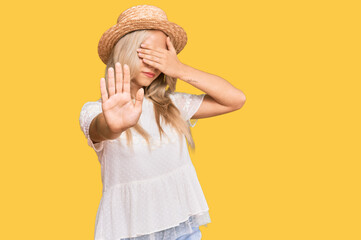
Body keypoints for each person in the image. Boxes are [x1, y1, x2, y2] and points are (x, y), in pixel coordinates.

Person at [79, 4, 246, 240]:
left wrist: (179, 69)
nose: (154, 64)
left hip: (182, 228)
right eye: (145, 53)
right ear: (124, 52)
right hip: (129, 233)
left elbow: (236, 99)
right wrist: (112, 126)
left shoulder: (171, 105)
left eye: (161, 56)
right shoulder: (96, 111)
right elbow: (100, 129)